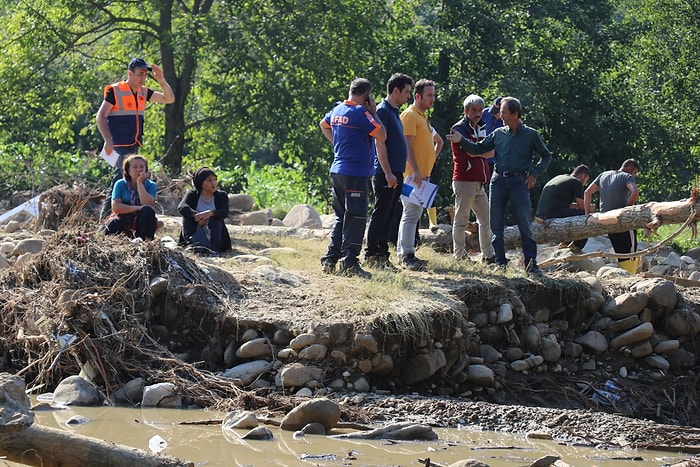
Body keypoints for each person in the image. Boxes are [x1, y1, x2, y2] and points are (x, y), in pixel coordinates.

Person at [446, 96, 552, 275]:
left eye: (503, 112)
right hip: (498, 182)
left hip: (519, 182)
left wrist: (534, 174)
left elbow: (546, 155)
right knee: (496, 225)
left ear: (515, 113)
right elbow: (477, 149)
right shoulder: (498, 133)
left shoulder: (531, 134)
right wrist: (461, 140)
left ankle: (531, 265)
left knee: (525, 225)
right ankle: (500, 263)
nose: (499, 115)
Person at [319, 78, 386, 278]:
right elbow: (382, 135)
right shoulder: (361, 113)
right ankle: (349, 262)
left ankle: (330, 259)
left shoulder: (337, 109)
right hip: (355, 173)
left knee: (341, 216)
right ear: (366, 95)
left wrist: (336, 143)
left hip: (337, 170)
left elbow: (323, 124)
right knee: (356, 217)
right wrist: (373, 112)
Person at [96, 58, 175, 221]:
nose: (143, 78)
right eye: (140, 74)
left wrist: (161, 80)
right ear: (130, 73)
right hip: (118, 145)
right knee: (120, 178)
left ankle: (119, 218)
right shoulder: (115, 90)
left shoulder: (143, 92)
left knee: (124, 180)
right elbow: (101, 116)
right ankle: (106, 220)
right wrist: (108, 140)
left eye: (145, 75)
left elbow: (169, 99)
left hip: (133, 145)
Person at [364, 73, 413, 270]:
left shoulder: (394, 111)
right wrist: (387, 172)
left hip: (396, 172)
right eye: (407, 91)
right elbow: (379, 143)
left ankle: (383, 255)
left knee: (390, 214)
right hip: (387, 172)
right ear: (395, 91)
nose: (408, 95)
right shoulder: (383, 111)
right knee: (381, 213)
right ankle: (371, 255)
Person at [396, 79, 439, 270]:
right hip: (411, 177)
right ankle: (406, 255)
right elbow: (406, 145)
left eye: (434, 95)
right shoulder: (410, 115)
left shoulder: (422, 117)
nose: (433, 99)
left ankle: (408, 253)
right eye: (429, 95)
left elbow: (436, 142)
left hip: (421, 176)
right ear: (417, 96)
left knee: (414, 215)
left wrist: (429, 162)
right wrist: (415, 171)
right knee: (410, 214)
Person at [449, 94, 495, 263]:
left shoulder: (482, 125)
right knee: (461, 220)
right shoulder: (459, 129)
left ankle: (488, 256)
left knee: (486, 220)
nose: (478, 113)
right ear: (466, 111)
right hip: (465, 180)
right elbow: (471, 151)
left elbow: (490, 151)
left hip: (479, 182)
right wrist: (479, 150)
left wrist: (477, 150)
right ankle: (459, 255)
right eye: (474, 110)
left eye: (480, 110)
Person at [584, 159, 640, 269]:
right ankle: (630, 275)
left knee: (619, 250)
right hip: (622, 219)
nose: (634, 175)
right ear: (629, 168)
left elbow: (587, 192)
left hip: (606, 220)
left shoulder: (603, 175)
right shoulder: (627, 177)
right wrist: (627, 208)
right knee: (631, 251)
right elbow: (635, 192)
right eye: (635, 172)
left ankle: (625, 274)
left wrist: (587, 214)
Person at [536, 165, 592, 253]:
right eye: (586, 181)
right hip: (553, 214)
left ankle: (566, 245)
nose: (584, 183)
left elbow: (565, 204)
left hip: (541, 214)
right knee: (585, 218)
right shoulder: (576, 182)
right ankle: (575, 248)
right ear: (582, 176)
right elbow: (583, 208)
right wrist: (591, 209)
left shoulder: (560, 178)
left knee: (576, 213)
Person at [178, 167, 232, 254]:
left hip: (213, 231)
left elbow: (224, 212)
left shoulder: (221, 195)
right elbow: (182, 207)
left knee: (216, 219)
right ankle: (191, 246)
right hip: (197, 228)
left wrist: (210, 213)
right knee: (187, 218)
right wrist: (196, 215)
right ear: (201, 183)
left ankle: (214, 250)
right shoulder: (192, 194)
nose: (213, 183)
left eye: (215, 179)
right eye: (209, 180)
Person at [104, 154, 158, 240]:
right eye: (135, 167)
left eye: (141, 167)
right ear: (128, 171)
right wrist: (137, 208)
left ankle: (143, 241)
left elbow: (147, 204)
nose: (139, 170)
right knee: (114, 222)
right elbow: (116, 207)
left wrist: (140, 183)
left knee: (148, 210)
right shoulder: (120, 184)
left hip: (141, 220)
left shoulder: (151, 185)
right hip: (123, 217)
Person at [481, 97, 504, 175]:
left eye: (497, 112)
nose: (494, 114)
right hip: (482, 158)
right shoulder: (485, 113)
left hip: (499, 162)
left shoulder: (509, 121)